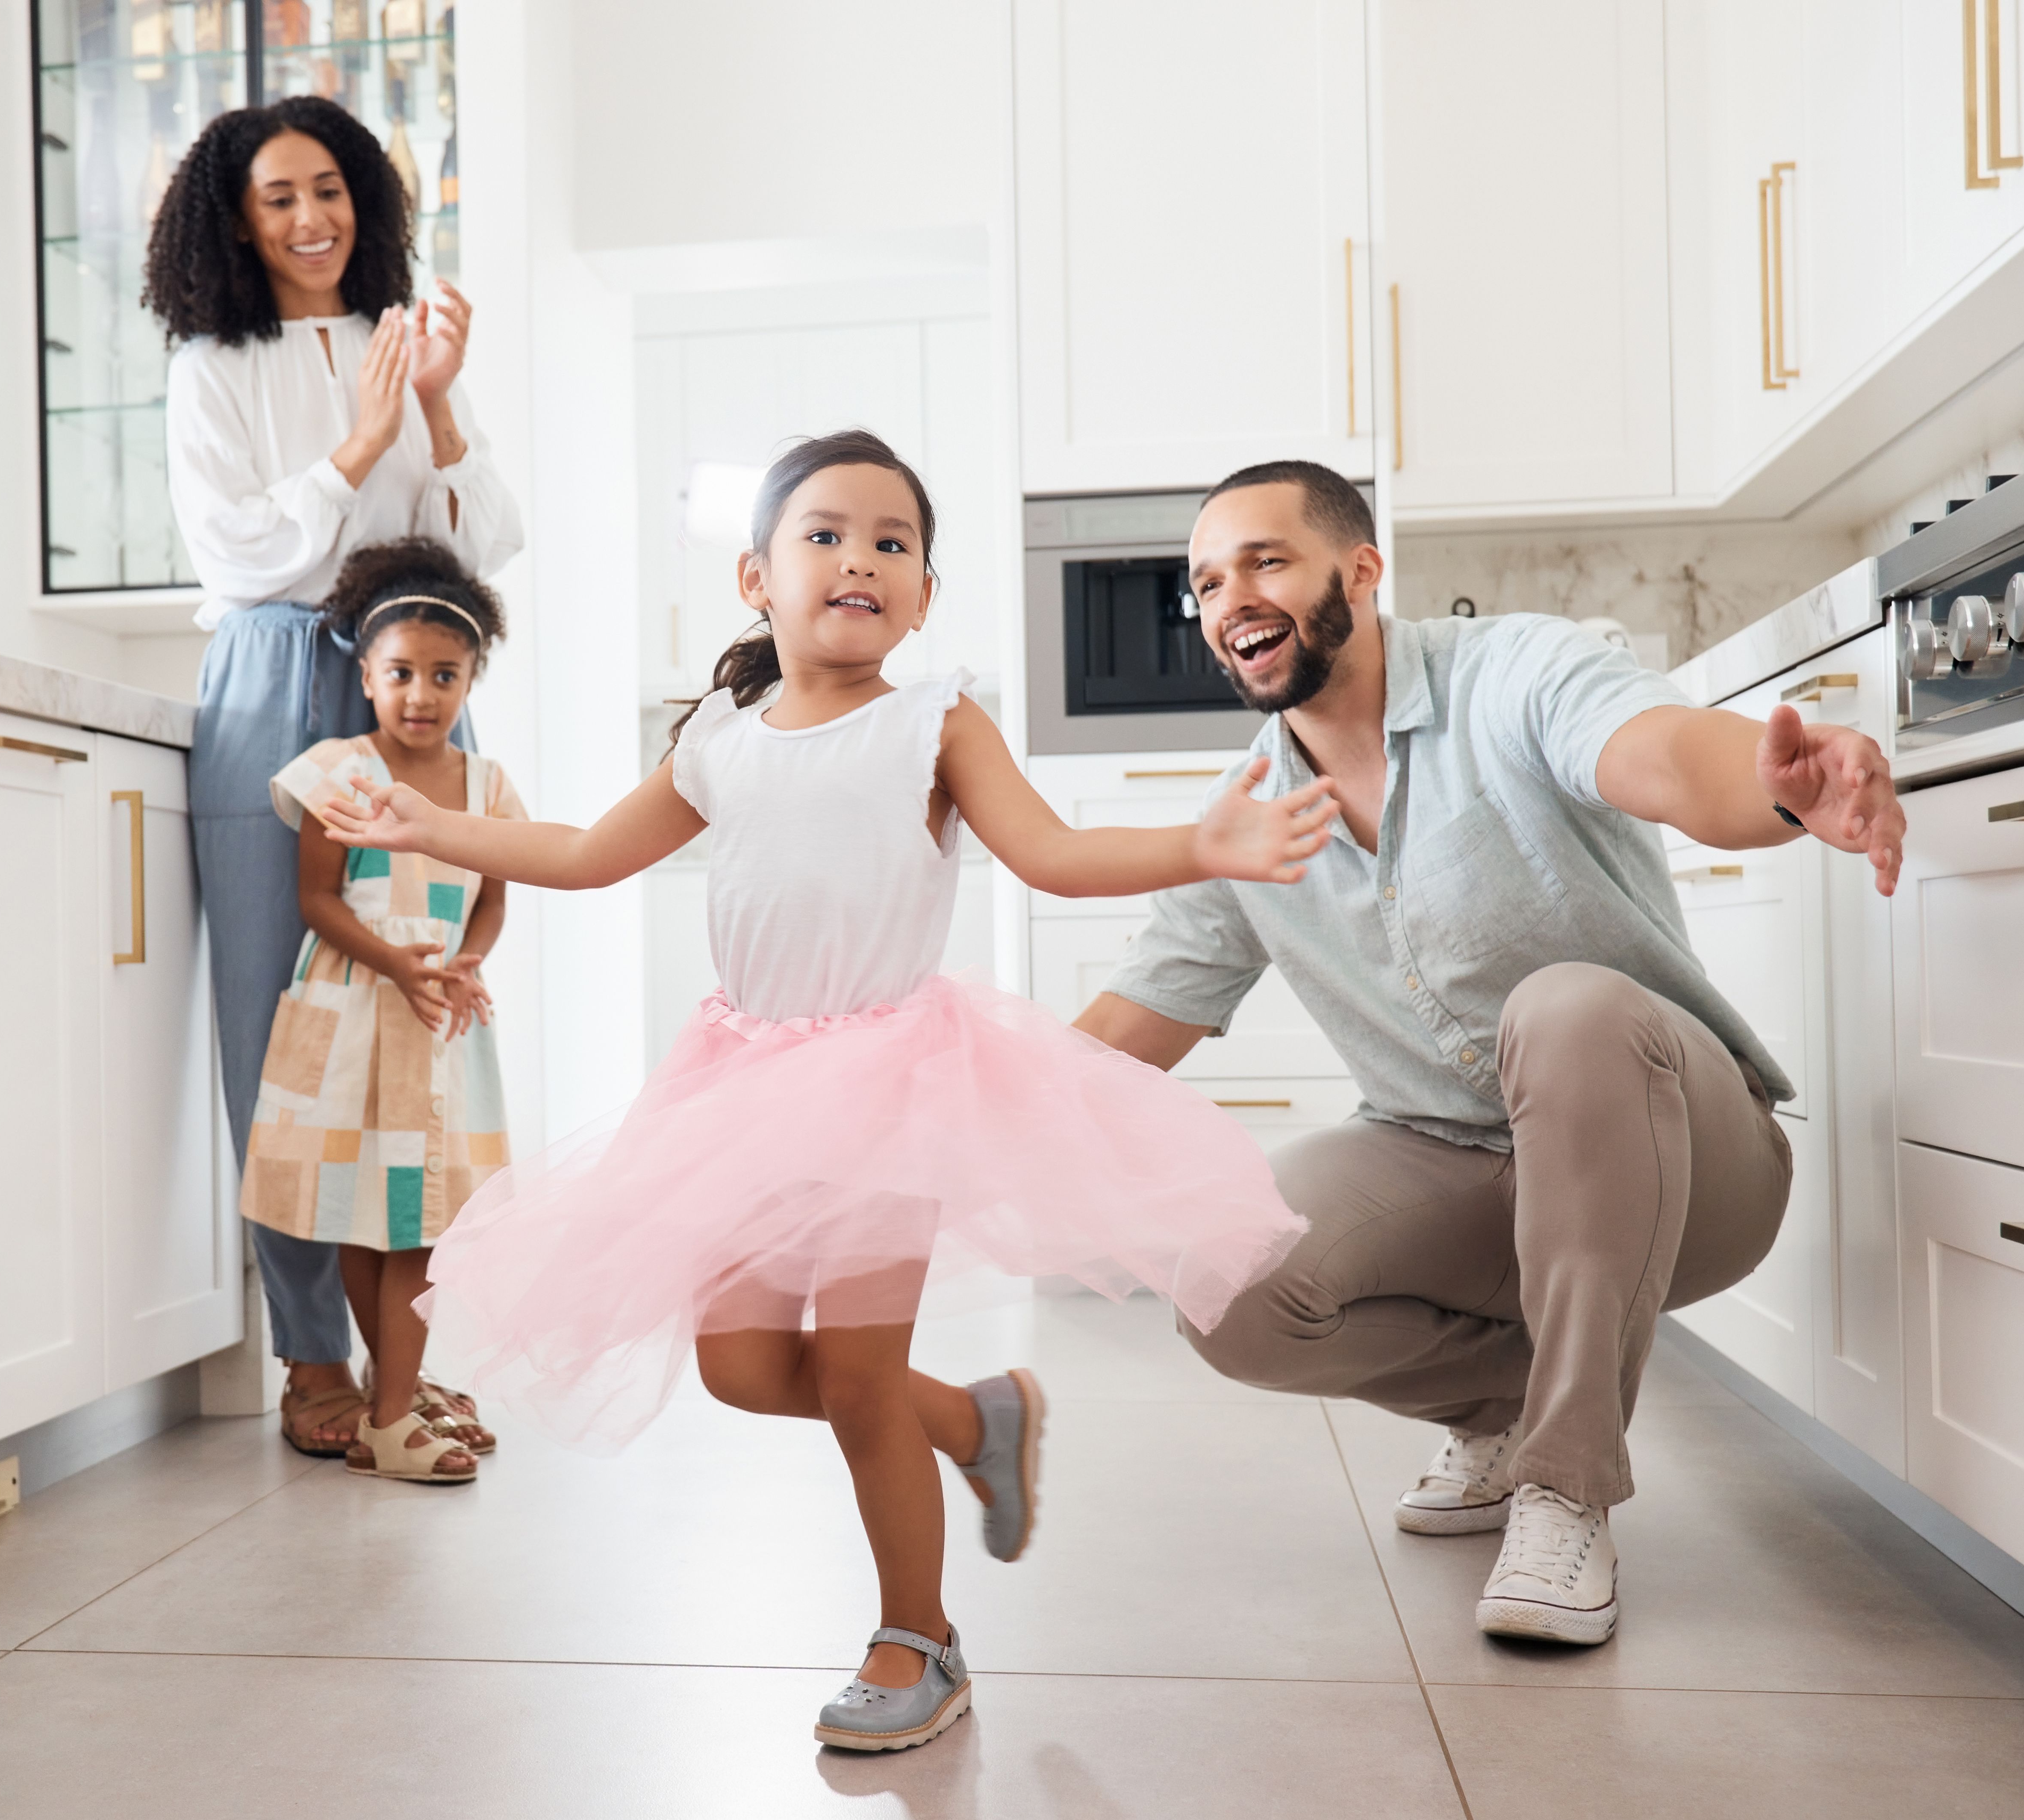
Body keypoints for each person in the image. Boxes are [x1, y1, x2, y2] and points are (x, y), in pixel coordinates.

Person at [318, 430, 1332, 1752]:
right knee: (740, 1368)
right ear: (756, 578)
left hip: (889, 1084)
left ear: (922, 596)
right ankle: (973, 1417)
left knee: (857, 1379)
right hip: (741, 1083)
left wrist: (1200, 843)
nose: (859, 558)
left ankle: (919, 1638)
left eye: (890, 543)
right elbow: (581, 852)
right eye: (825, 534)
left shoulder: (934, 723)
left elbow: (1051, 853)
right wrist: (428, 827)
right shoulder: (719, 743)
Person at [1073, 460, 1906, 1648]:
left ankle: (1565, 1488)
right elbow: (1119, 1038)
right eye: (1205, 583)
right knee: (1228, 1283)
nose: (1230, 600)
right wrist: (938, 1111)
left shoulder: (1512, 672)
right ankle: (1505, 1409)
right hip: (1454, 1167)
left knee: (1565, 1008)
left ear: (1360, 572)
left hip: (1683, 1158)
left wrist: (1774, 790)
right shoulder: (1246, 816)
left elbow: (1663, 754)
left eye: (1265, 562)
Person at [143, 94, 523, 1459]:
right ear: (235, 223)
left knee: (418, 1013)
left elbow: (487, 544)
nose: (311, 219)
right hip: (269, 678)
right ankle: (311, 1361)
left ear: (364, 199)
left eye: (329, 190)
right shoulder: (210, 366)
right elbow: (241, 553)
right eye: (278, 198)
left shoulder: (398, 343)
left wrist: (432, 405)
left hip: (407, 679)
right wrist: (358, 447)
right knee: (282, 1032)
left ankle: (398, 1368)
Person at [241, 538, 519, 1484]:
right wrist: (396, 964)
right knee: (370, 1214)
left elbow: (492, 896)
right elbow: (317, 899)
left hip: (436, 1020)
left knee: (419, 1214)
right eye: (400, 673)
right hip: (356, 1014)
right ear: (366, 676)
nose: (420, 695)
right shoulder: (339, 772)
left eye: (444, 676)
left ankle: (392, 1401)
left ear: (471, 681)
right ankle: (393, 1413)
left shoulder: (488, 788)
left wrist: (466, 959)